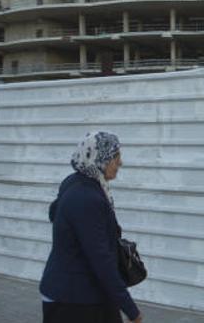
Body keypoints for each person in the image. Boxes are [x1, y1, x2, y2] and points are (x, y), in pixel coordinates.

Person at [40, 131, 142, 323]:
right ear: (99, 158)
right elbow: (100, 258)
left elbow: (55, 214)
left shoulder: (78, 183)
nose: (120, 162)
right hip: (73, 300)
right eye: (115, 156)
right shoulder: (87, 197)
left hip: (83, 293)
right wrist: (130, 309)